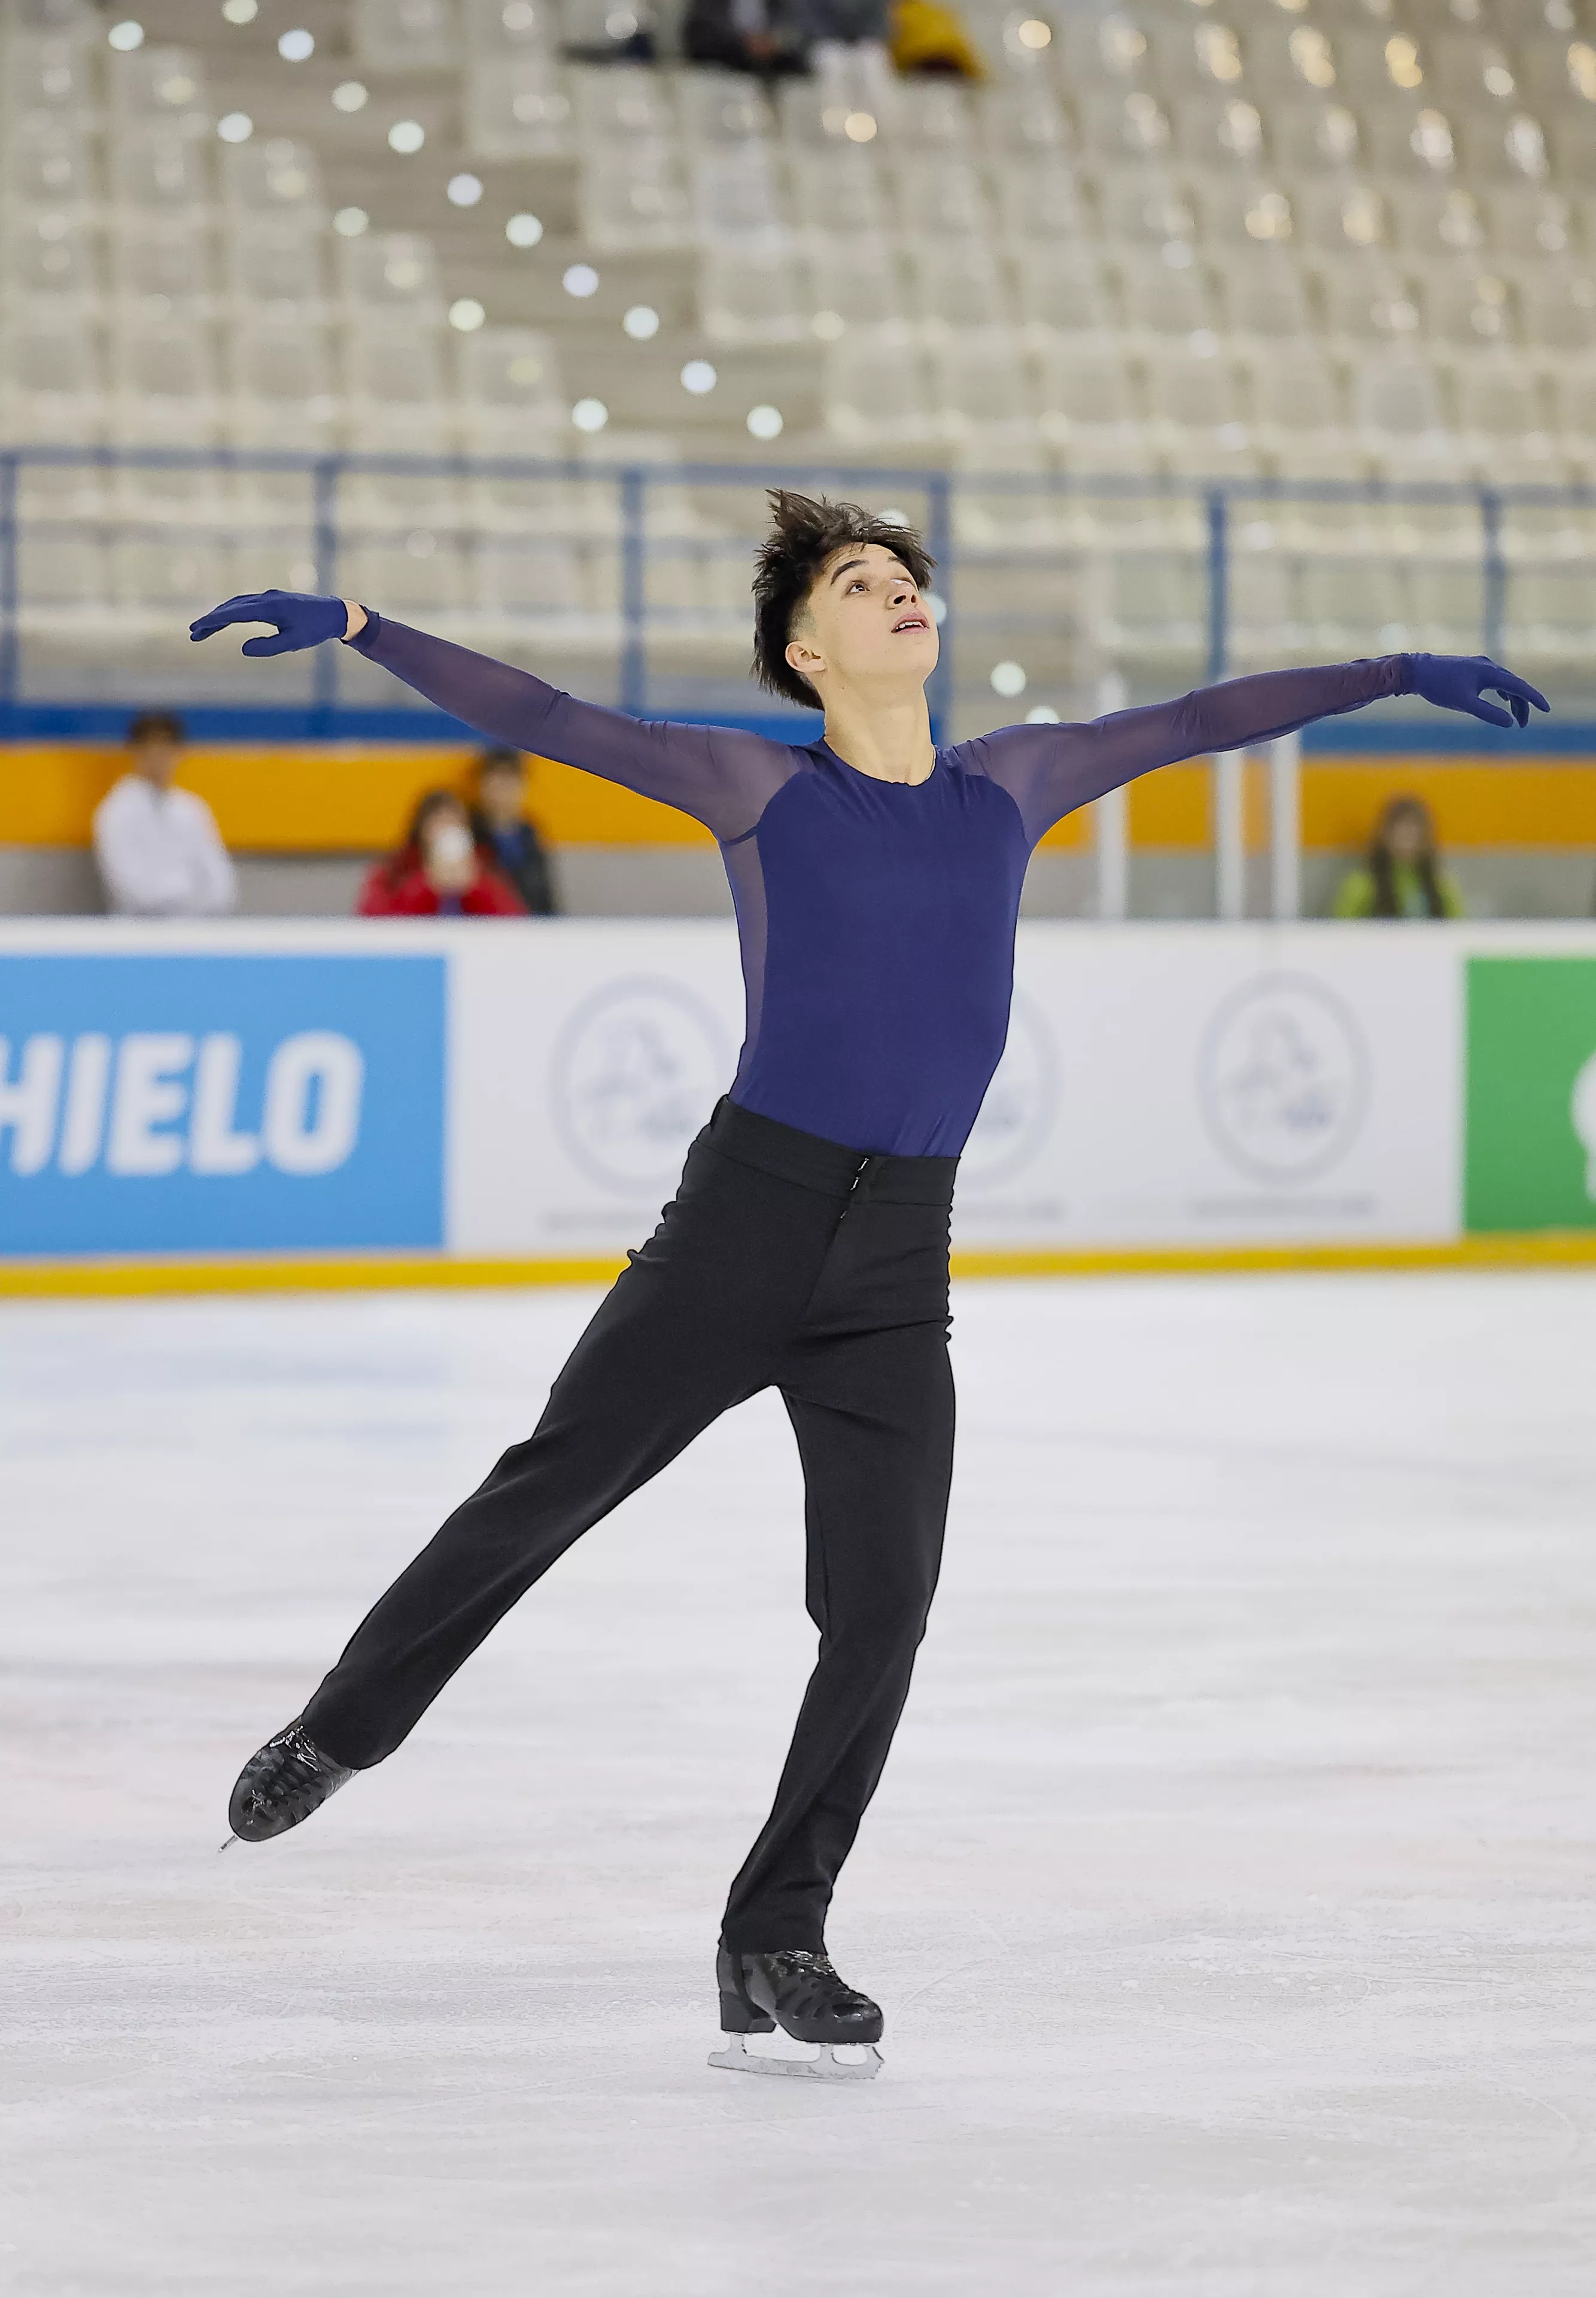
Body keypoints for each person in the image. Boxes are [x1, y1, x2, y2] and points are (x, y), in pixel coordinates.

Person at [190, 516, 1546, 2080]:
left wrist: (1388, 670)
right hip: (740, 1228)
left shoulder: (1008, 786)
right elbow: (554, 722)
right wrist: (367, 623)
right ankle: (339, 1731)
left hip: (899, 1259)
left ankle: (776, 1929)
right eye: (856, 585)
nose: (898, 591)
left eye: (904, 575)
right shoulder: (763, 791)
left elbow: (1191, 723)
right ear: (805, 655)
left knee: (884, 1606)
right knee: (551, 1486)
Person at [92, 711, 237, 919]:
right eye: (152, 748)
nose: (160, 757)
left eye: (167, 748)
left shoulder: (192, 809)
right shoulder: (115, 813)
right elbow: (132, 892)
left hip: (196, 935)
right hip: (137, 939)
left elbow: (222, 887)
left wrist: (188, 903)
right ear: (136, 751)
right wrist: (187, 891)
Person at [356, 788, 525, 917]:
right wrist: (427, 886)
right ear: (420, 829)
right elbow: (375, 927)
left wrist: (476, 887)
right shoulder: (393, 872)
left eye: (454, 822)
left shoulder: (487, 870)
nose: (445, 829)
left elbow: (514, 925)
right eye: (437, 822)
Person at [1331, 793, 1463, 919]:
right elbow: (1341, 934)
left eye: (1414, 833)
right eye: (1400, 832)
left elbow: (1460, 932)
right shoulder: (1362, 885)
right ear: (1385, 836)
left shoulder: (1440, 887)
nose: (1407, 841)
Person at [470, 747, 560, 916]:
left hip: (531, 929)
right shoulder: (470, 832)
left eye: (510, 781)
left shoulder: (530, 834)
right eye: (496, 780)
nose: (503, 791)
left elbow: (545, 896)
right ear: (482, 784)